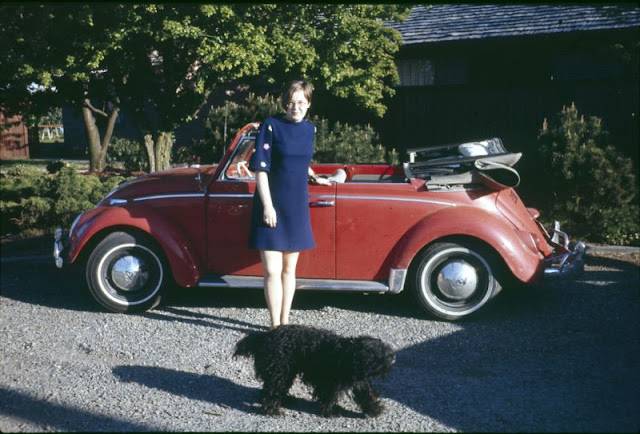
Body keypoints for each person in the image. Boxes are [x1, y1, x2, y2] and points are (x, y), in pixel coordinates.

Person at [248, 80, 332, 329]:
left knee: (289, 270)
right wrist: (267, 206)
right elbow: (261, 170)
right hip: (271, 205)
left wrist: (315, 177)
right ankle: (275, 326)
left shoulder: (309, 129)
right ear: (285, 103)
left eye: (301, 103)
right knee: (272, 271)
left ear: (308, 104)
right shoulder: (271, 126)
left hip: (296, 206)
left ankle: (286, 322)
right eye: (292, 102)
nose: (296, 107)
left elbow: (299, 161)